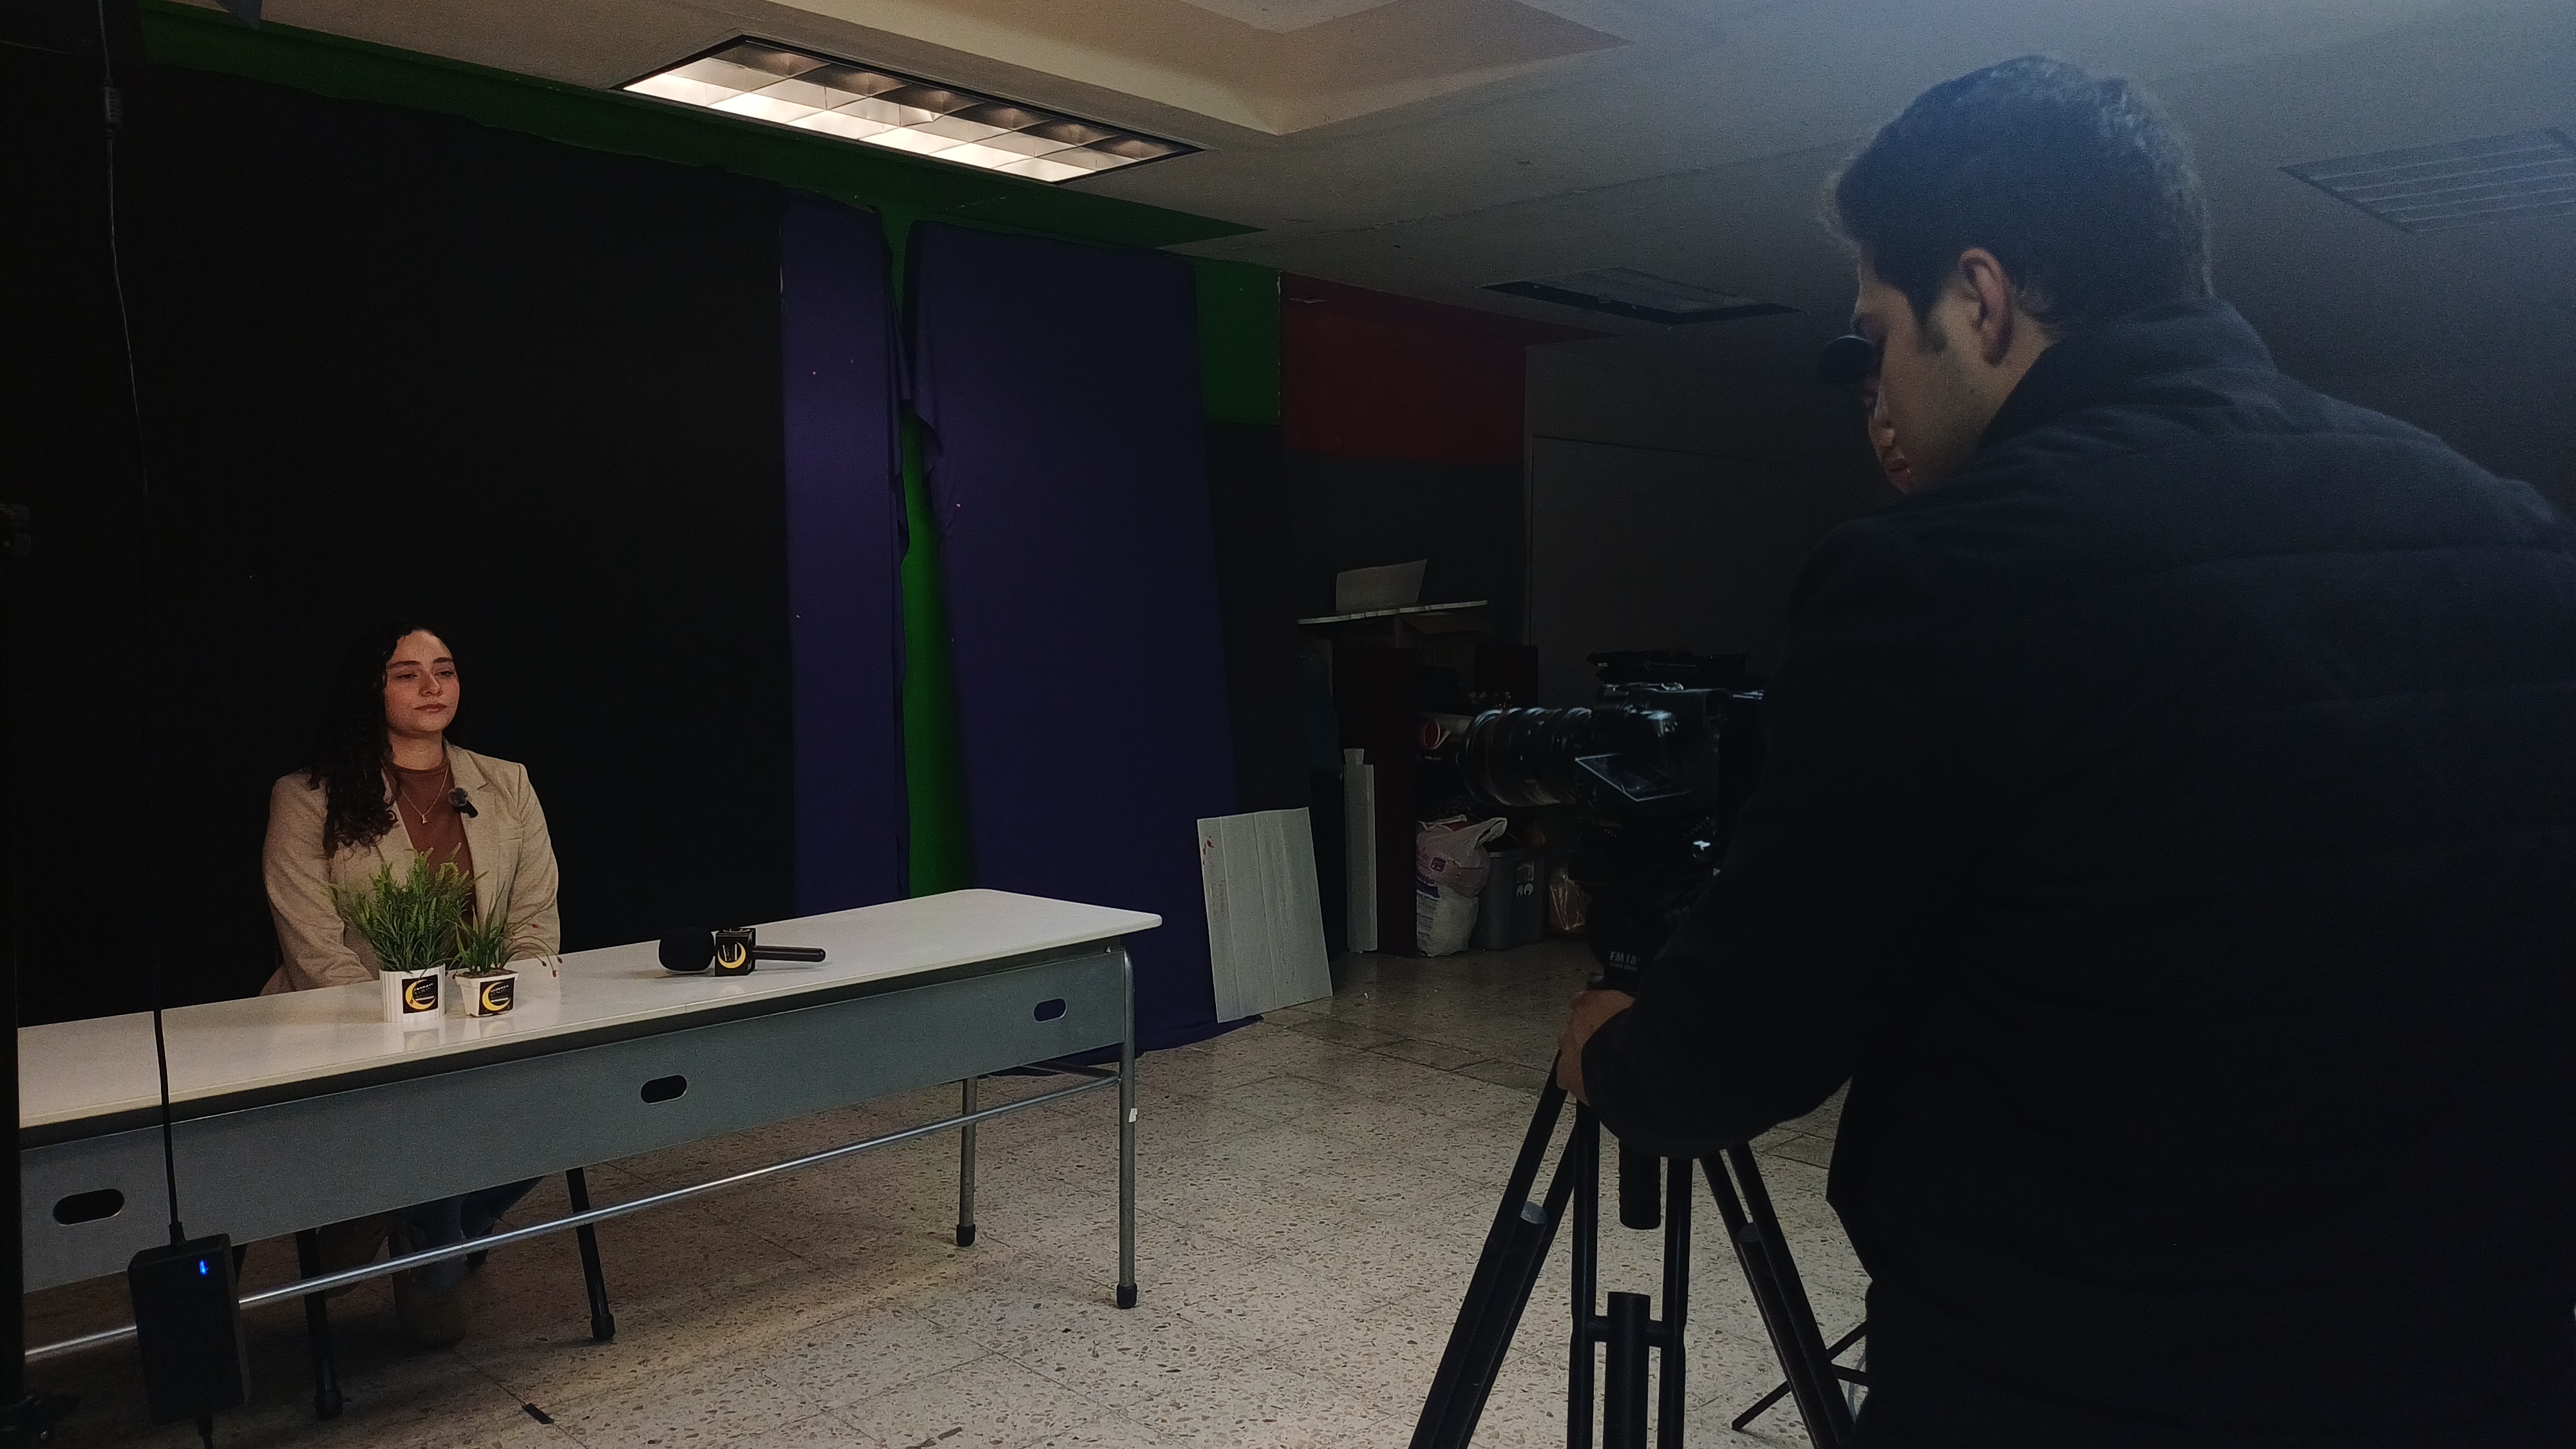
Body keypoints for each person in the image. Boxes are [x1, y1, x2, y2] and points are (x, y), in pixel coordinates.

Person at [1555, 55, 2576, 1447]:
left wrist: (1617, 1056)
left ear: (1978, 300)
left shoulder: (1936, 580)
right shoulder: (2517, 536)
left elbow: (1748, 1040)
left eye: (1878, 335)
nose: (1875, 389)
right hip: (2482, 1378)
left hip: (2075, 1381)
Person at [262, 622, 562, 1347]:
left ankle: (438, 1223)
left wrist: (498, 1010)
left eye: (445, 670)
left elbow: (533, 923)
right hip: (349, 1027)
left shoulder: (507, 783)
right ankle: (427, 1239)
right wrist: (403, 1029)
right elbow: (314, 947)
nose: (433, 687)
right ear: (373, 689)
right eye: (407, 674)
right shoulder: (308, 797)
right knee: (427, 1103)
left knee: (572, 1098)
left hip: (484, 1017)